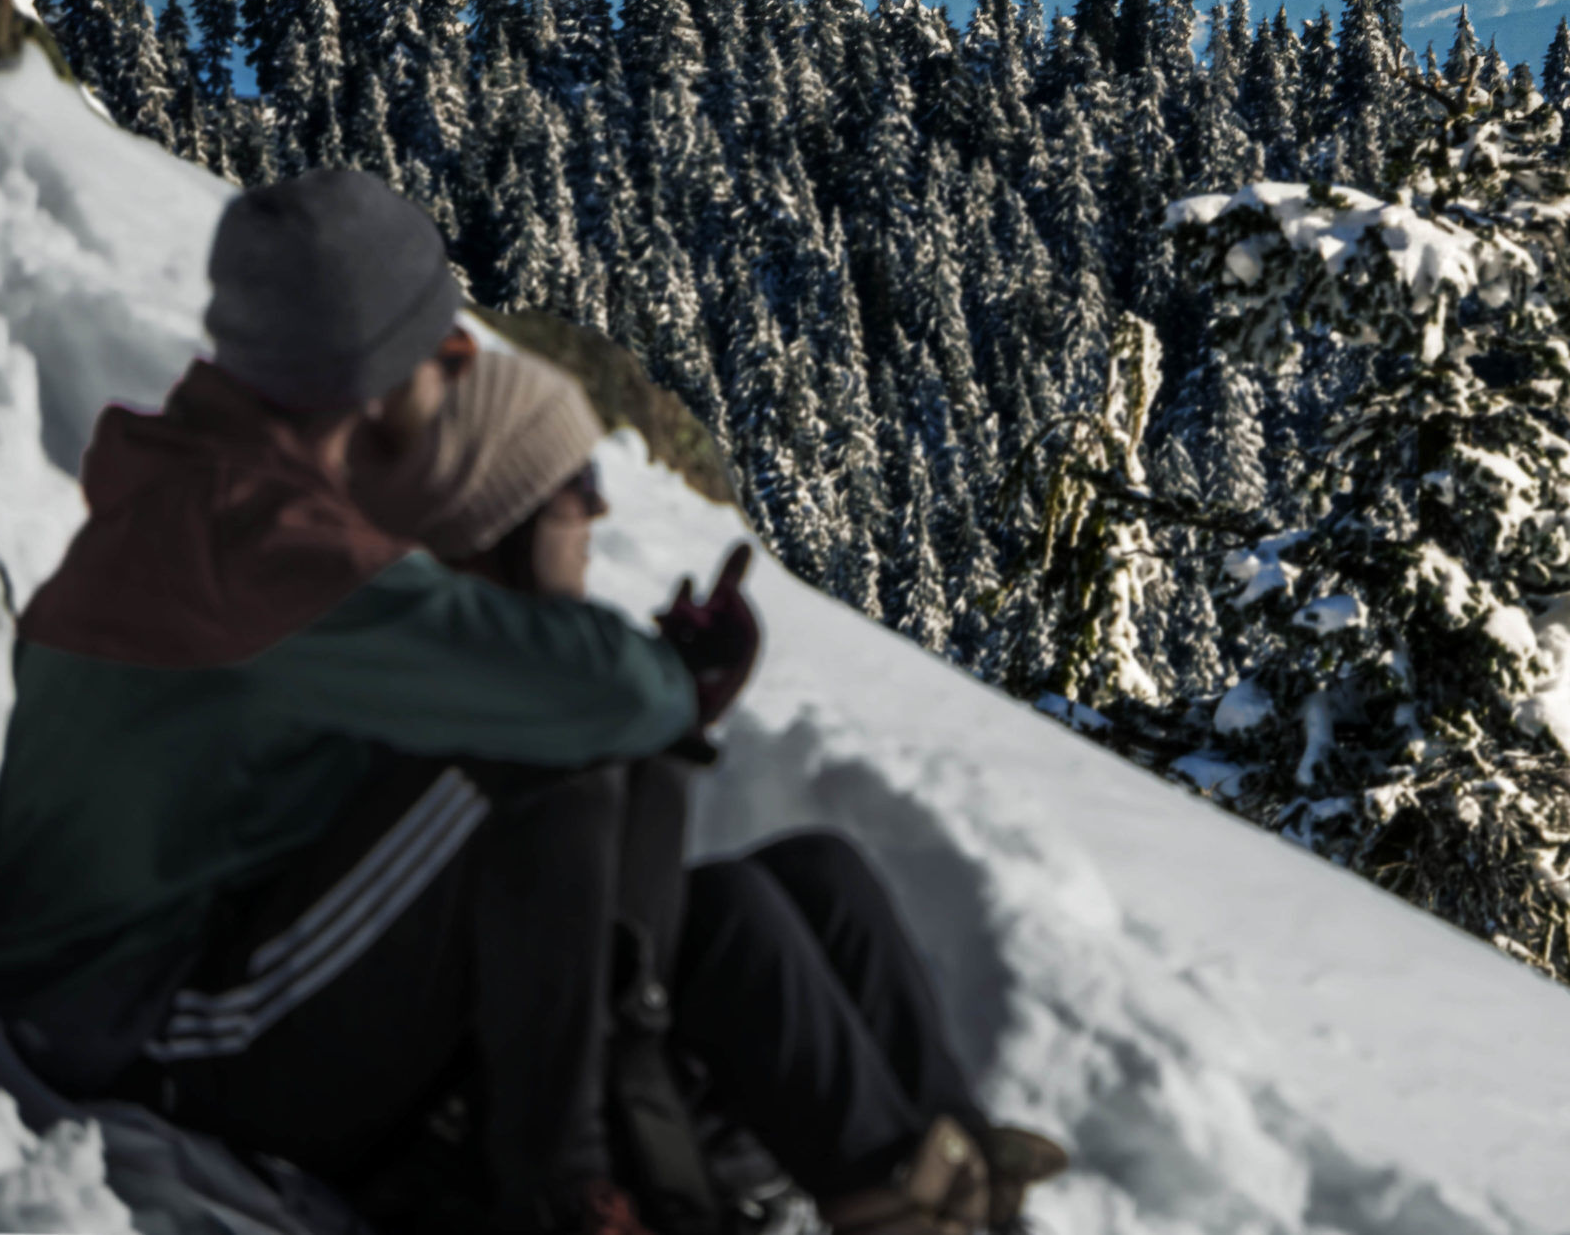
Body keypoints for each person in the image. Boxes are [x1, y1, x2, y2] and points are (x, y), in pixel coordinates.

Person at [0, 171, 770, 1233]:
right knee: (542, 758)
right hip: (130, 1026)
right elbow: (565, 692)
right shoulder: (266, 541)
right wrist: (676, 677)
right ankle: (554, 1194)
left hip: (102, 983)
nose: (457, 365)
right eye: (440, 343)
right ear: (374, 366)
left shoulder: (198, 496)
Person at [363, 349, 1066, 1235]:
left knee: (822, 872)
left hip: (571, 1004)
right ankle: (898, 1200)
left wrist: (676, 716)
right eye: (572, 483)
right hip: (487, 1071)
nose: (596, 508)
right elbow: (569, 902)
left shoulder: (512, 667)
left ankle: (960, 1167)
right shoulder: (461, 674)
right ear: (505, 506)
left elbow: (614, 875)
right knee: (729, 912)